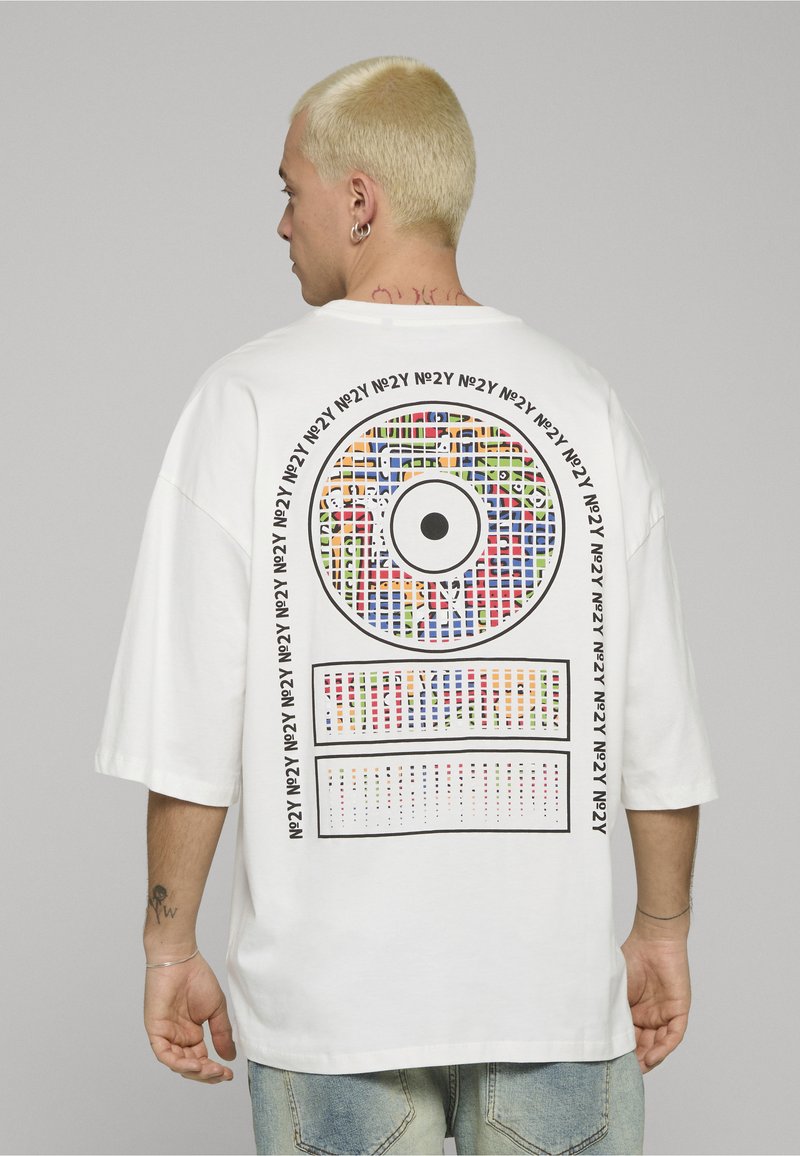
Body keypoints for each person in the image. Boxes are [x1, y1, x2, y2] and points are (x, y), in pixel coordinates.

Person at [95, 55, 719, 1156]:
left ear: (358, 199)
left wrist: (168, 944)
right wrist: (662, 928)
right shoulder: (582, 401)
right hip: (549, 993)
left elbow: (186, 721)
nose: (280, 223)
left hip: (331, 1007)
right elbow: (655, 719)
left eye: (289, 190)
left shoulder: (246, 400)